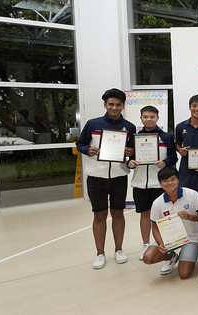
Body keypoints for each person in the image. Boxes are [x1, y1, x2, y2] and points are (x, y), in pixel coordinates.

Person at [75, 88, 136, 270]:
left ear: (123, 106)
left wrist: (130, 152)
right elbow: (80, 144)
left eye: (118, 105)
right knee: (99, 215)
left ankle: (119, 250)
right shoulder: (93, 124)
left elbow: (133, 151)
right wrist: (88, 150)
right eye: (111, 104)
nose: (115, 108)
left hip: (118, 177)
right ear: (105, 104)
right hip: (96, 177)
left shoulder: (129, 127)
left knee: (118, 213)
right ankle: (100, 253)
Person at [127, 105, 177, 261]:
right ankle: (146, 244)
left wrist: (165, 163)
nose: (149, 119)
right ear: (141, 118)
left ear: (157, 118)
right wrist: (130, 163)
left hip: (159, 184)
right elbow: (129, 157)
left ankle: (165, 243)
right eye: (145, 117)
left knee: (163, 216)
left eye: (152, 117)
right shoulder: (134, 137)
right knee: (144, 214)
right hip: (140, 182)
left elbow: (173, 158)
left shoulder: (166, 137)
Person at [141, 166, 198, 279]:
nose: (169, 183)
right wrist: (160, 244)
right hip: (169, 238)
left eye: (172, 179)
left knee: (184, 274)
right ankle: (171, 256)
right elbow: (154, 227)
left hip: (191, 237)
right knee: (147, 258)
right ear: (160, 183)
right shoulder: (157, 203)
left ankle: (196, 251)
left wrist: (189, 217)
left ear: (178, 179)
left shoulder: (192, 194)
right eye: (165, 180)